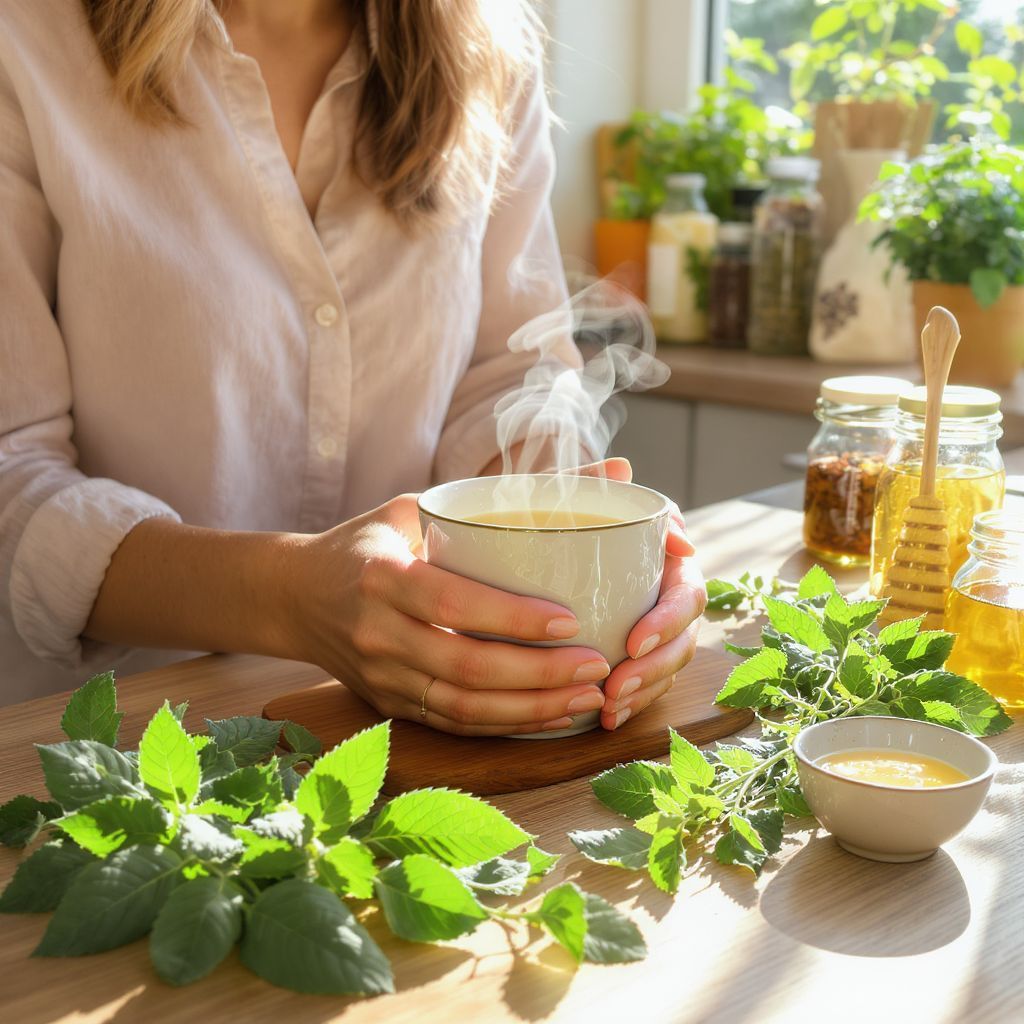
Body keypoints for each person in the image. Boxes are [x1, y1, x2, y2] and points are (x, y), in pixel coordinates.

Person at [0, 0, 705, 730]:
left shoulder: (488, 40)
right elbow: (10, 473)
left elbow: (507, 371)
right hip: (105, 738)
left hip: (409, 736)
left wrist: (586, 557)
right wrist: (289, 597)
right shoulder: (25, 36)